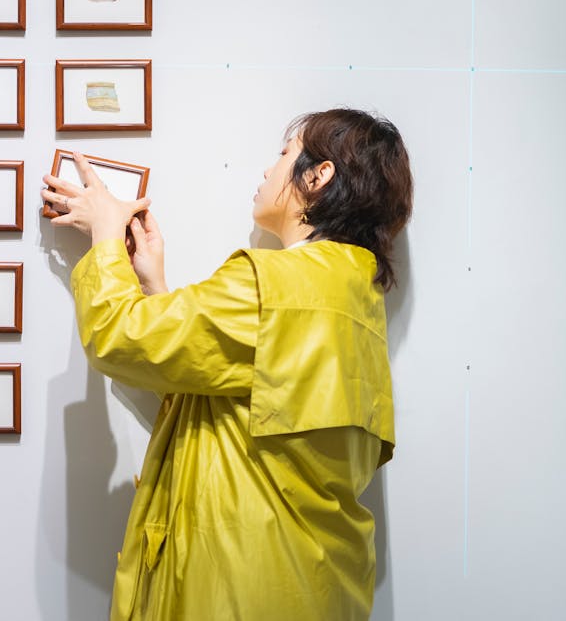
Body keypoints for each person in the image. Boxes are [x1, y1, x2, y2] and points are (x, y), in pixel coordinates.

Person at [41, 108, 413, 621]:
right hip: (316, 588)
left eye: (284, 155)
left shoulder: (271, 287)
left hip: (237, 590)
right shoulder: (358, 299)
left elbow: (120, 338)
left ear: (318, 174)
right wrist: (157, 288)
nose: (267, 171)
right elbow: (247, 407)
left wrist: (106, 235)